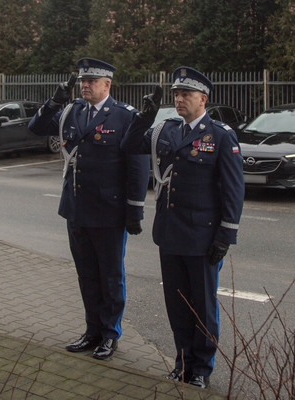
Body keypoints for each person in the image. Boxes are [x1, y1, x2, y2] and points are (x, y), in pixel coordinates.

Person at [121, 66, 244, 388]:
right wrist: (143, 118)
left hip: (202, 236)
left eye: (186, 95)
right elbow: (130, 145)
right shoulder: (165, 130)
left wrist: (226, 234)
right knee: (176, 305)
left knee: (202, 306)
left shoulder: (220, 135)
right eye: (176, 94)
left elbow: (233, 190)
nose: (179, 100)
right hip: (170, 233)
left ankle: (201, 368)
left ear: (202, 99)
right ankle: (183, 362)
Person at [28, 57, 149, 360]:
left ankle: (110, 334)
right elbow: (36, 128)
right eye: (82, 81)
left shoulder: (124, 117)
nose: (84, 86)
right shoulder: (71, 110)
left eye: (91, 81)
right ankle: (92, 330)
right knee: (87, 274)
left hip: (108, 212)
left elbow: (138, 167)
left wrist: (134, 210)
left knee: (110, 276)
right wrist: (55, 100)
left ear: (107, 84)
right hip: (76, 208)